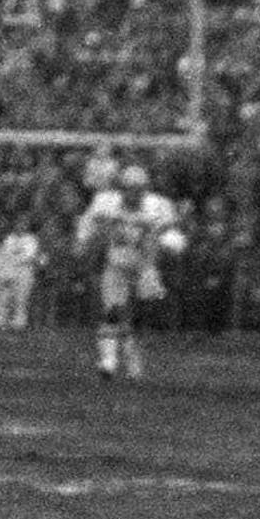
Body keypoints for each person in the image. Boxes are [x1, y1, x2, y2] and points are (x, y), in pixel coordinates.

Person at [73, 162, 185, 380]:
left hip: (145, 267)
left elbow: (174, 239)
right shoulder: (106, 203)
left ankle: (132, 358)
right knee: (112, 311)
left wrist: (165, 247)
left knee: (137, 317)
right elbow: (88, 225)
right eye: (130, 189)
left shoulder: (157, 206)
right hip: (116, 264)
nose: (134, 195)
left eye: (139, 190)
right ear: (122, 189)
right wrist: (83, 242)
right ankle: (108, 361)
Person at [0, 212, 46, 330]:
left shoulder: (32, 239)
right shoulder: (8, 238)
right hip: (7, 271)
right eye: (19, 223)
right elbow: (0, 256)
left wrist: (15, 259)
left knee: (20, 300)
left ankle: (18, 324)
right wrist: (0, 272)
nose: (21, 225)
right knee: (2, 298)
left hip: (24, 272)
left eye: (24, 223)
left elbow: (30, 256)